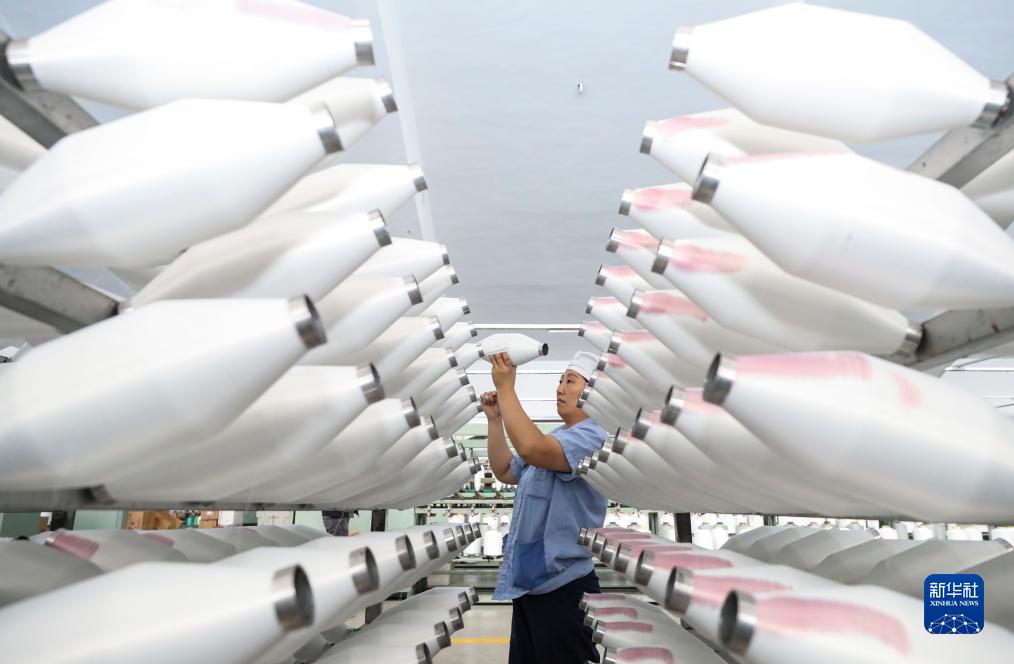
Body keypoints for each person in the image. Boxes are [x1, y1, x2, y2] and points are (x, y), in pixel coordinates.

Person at [482, 350, 608, 664]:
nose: (560, 388)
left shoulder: (593, 439)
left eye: (571, 381)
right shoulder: (557, 437)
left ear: (594, 393)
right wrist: (495, 420)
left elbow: (531, 448)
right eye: (560, 380)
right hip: (531, 585)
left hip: (565, 588)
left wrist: (506, 389)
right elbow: (505, 471)